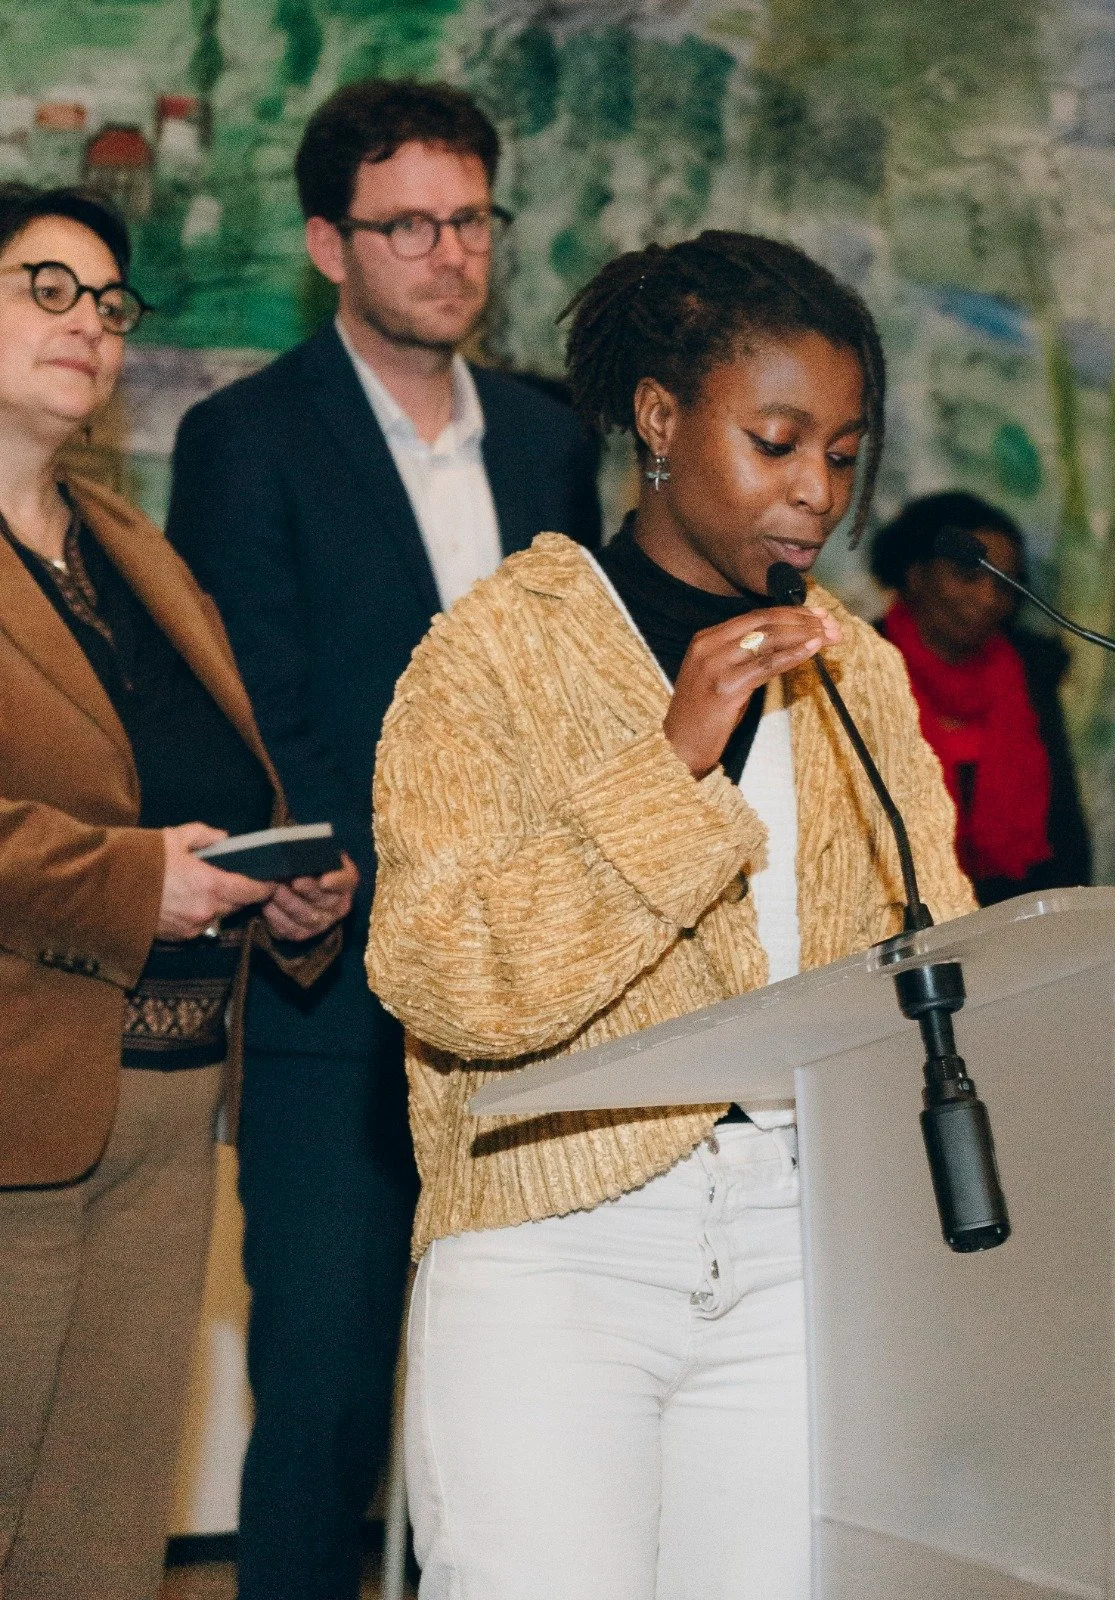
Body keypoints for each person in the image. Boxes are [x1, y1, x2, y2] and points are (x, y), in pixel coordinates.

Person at [365, 231, 974, 1600]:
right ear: (659, 419)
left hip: (797, 1246)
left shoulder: (856, 671)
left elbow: (931, 950)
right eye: (776, 442)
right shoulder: (493, 655)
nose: (815, 491)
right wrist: (670, 764)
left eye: (842, 454)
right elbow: (442, 978)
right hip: (551, 1249)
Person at [165, 78, 601, 1600]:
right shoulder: (245, 438)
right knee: (328, 1395)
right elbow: (252, 714)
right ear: (327, 245)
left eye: (470, 218)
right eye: (407, 224)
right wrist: (333, 875)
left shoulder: (549, 440)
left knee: (529, 1402)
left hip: (537, 1001)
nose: (449, 253)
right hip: (337, 986)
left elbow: (578, 703)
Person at [0, 184, 356, 1600]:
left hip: (168, 1105)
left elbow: (213, 790)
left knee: (95, 1544)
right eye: (46, 288)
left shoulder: (135, 553)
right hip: (14, 1107)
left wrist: (278, 892)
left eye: (108, 302)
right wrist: (137, 877)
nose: (88, 323)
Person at [870, 490, 1092, 905]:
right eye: (968, 575)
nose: (989, 598)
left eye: (1005, 584)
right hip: (894, 914)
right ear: (915, 574)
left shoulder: (1030, 673)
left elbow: (1065, 834)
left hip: (1016, 918)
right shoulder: (856, 668)